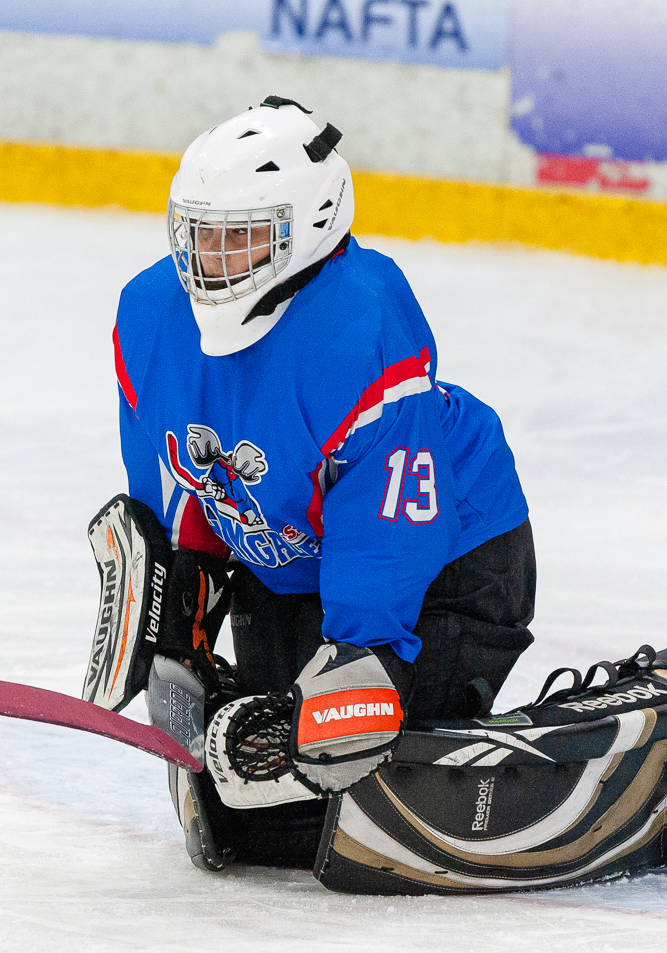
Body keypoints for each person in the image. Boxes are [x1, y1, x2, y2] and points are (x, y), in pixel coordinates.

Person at [103, 95, 536, 869]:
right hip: (287, 558)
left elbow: (390, 525)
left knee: (352, 782)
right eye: (197, 238)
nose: (211, 264)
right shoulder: (147, 313)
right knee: (259, 809)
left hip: (449, 562)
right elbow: (180, 470)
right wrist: (187, 576)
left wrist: (364, 656)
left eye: (241, 239)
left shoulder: (359, 317)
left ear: (311, 225)